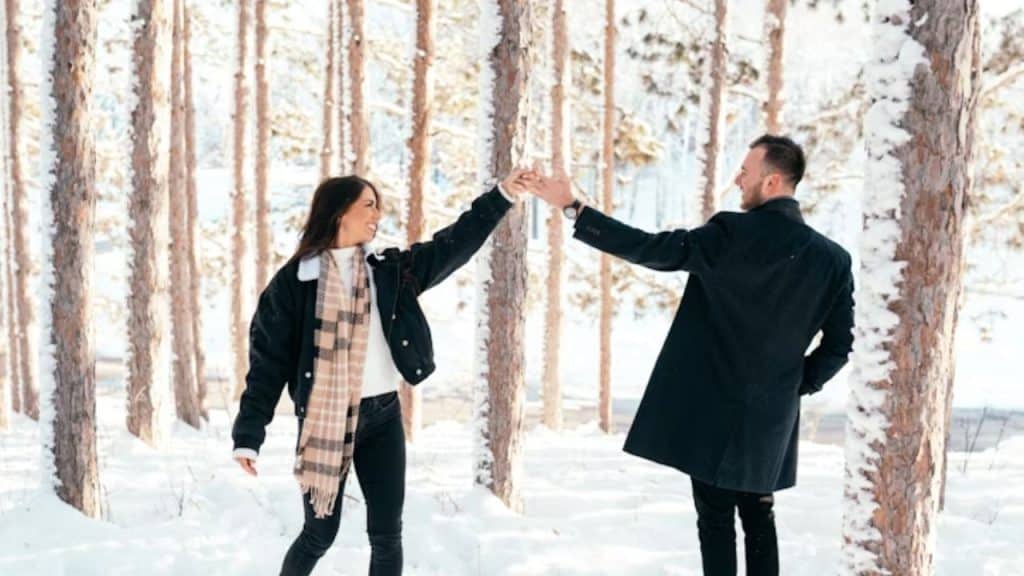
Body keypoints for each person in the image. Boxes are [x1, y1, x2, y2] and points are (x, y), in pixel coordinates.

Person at [524, 135, 854, 576]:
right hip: (770, 415)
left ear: (772, 181)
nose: (737, 178)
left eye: (746, 170)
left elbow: (650, 249)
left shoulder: (731, 234)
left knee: (716, 520)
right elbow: (840, 344)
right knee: (759, 515)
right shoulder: (833, 260)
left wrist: (575, 209)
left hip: (713, 409)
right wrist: (795, 384)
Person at [231, 171, 528, 576]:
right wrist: (249, 435)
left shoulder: (388, 271)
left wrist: (502, 196)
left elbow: (453, 245)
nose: (377, 214)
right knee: (319, 534)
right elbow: (267, 364)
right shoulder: (294, 283)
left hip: (383, 416)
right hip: (326, 421)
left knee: (387, 535)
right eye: (368, 205)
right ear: (339, 214)